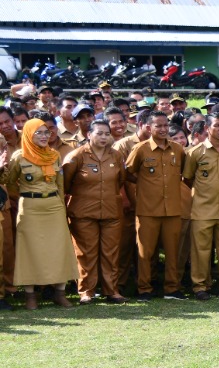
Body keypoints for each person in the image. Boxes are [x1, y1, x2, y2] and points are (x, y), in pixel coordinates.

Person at [1, 118, 75, 309]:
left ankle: (60, 293)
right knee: (29, 250)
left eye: (46, 132)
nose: (44, 136)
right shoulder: (19, 156)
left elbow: (60, 184)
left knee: (59, 249)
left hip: (54, 206)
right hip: (30, 207)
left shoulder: (54, 155)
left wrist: (61, 207)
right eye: (39, 132)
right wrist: (26, 196)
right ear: (28, 134)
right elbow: (9, 182)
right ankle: (30, 296)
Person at [61, 119, 126, 303]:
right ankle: (86, 291)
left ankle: (111, 290)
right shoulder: (77, 156)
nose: (104, 137)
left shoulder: (116, 155)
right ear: (89, 134)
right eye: (99, 133)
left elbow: (120, 180)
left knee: (110, 252)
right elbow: (66, 184)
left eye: (107, 133)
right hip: (83, 213)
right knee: (85, 252)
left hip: (111, 211)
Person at [124, 112, 187, 299]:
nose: (163, 129)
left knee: (172, 251)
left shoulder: (178, 149)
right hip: (147, 210)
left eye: (165, 125)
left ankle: (172, 288)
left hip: (173, 210)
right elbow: (128, 172)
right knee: (145, 253)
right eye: (158, 126)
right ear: (149, 128)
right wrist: (145, 184)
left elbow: (185, 172)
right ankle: (144, 288)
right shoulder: (140, 149)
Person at [183, 112, 219, 299]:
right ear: (207, 128)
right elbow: (188, 178)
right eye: (216, 125)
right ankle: (200, 287)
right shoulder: (195, 152)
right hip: (202, 210)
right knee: (201, 251)